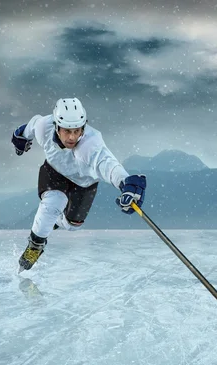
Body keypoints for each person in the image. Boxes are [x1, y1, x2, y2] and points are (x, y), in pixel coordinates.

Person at [11, 97, 146, 271]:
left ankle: (56, 220)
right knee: (53, 204)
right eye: (67, 131)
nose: (72, 137)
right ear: (56, 126)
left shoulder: (91, 145)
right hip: (54, 174)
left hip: (84, 185)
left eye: (77, 131)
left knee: (72, 225)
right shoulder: (44, 127)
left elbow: (108, 165)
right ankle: (34, 248)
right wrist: (20, 136)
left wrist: (126, 184)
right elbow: (31, 126)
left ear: (83, 127)